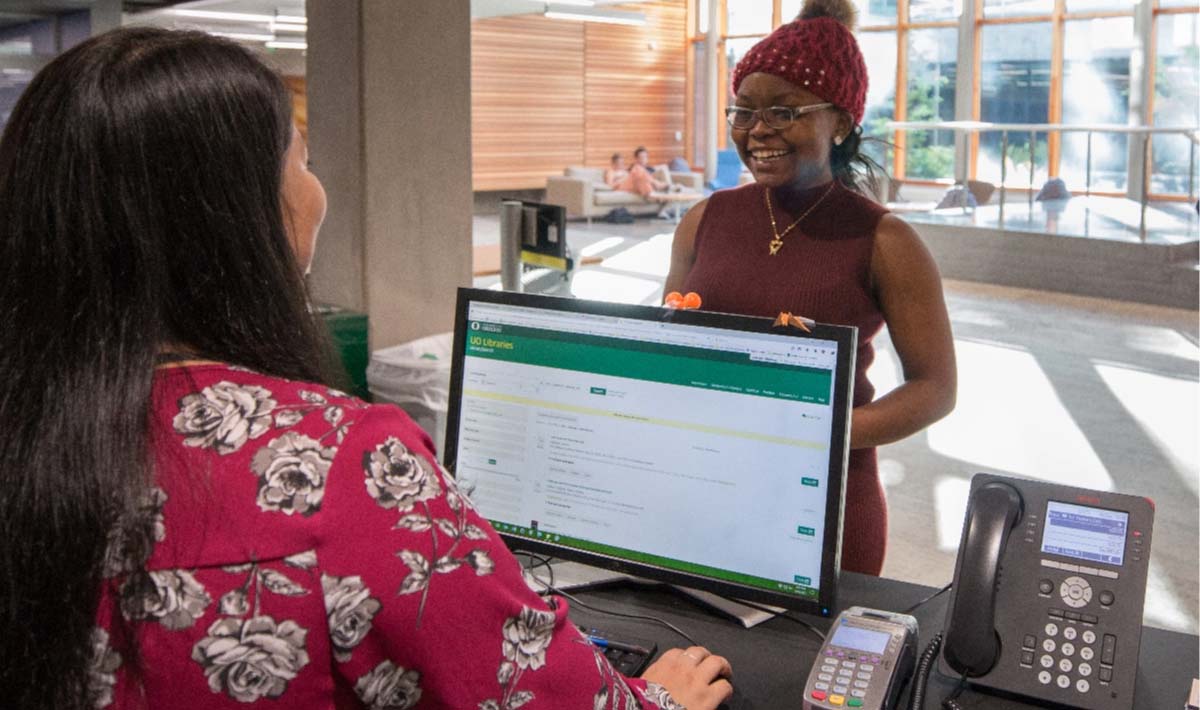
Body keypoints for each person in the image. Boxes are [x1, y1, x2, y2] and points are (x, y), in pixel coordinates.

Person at [0, 27, 733, 710]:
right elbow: (533, 692)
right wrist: (659, 698)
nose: (318, 191)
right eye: (303, 161)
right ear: (232, 215)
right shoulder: (334, 466)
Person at [663, 0, 956, 576]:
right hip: (705, 483)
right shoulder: (704, 218)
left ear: (841, 121)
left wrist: (818, 431)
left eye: (783, 111)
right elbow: (667, 341)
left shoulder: (886, 240)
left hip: (823, 501)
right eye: (743, 112)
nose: (758, 131)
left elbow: (935, 388)